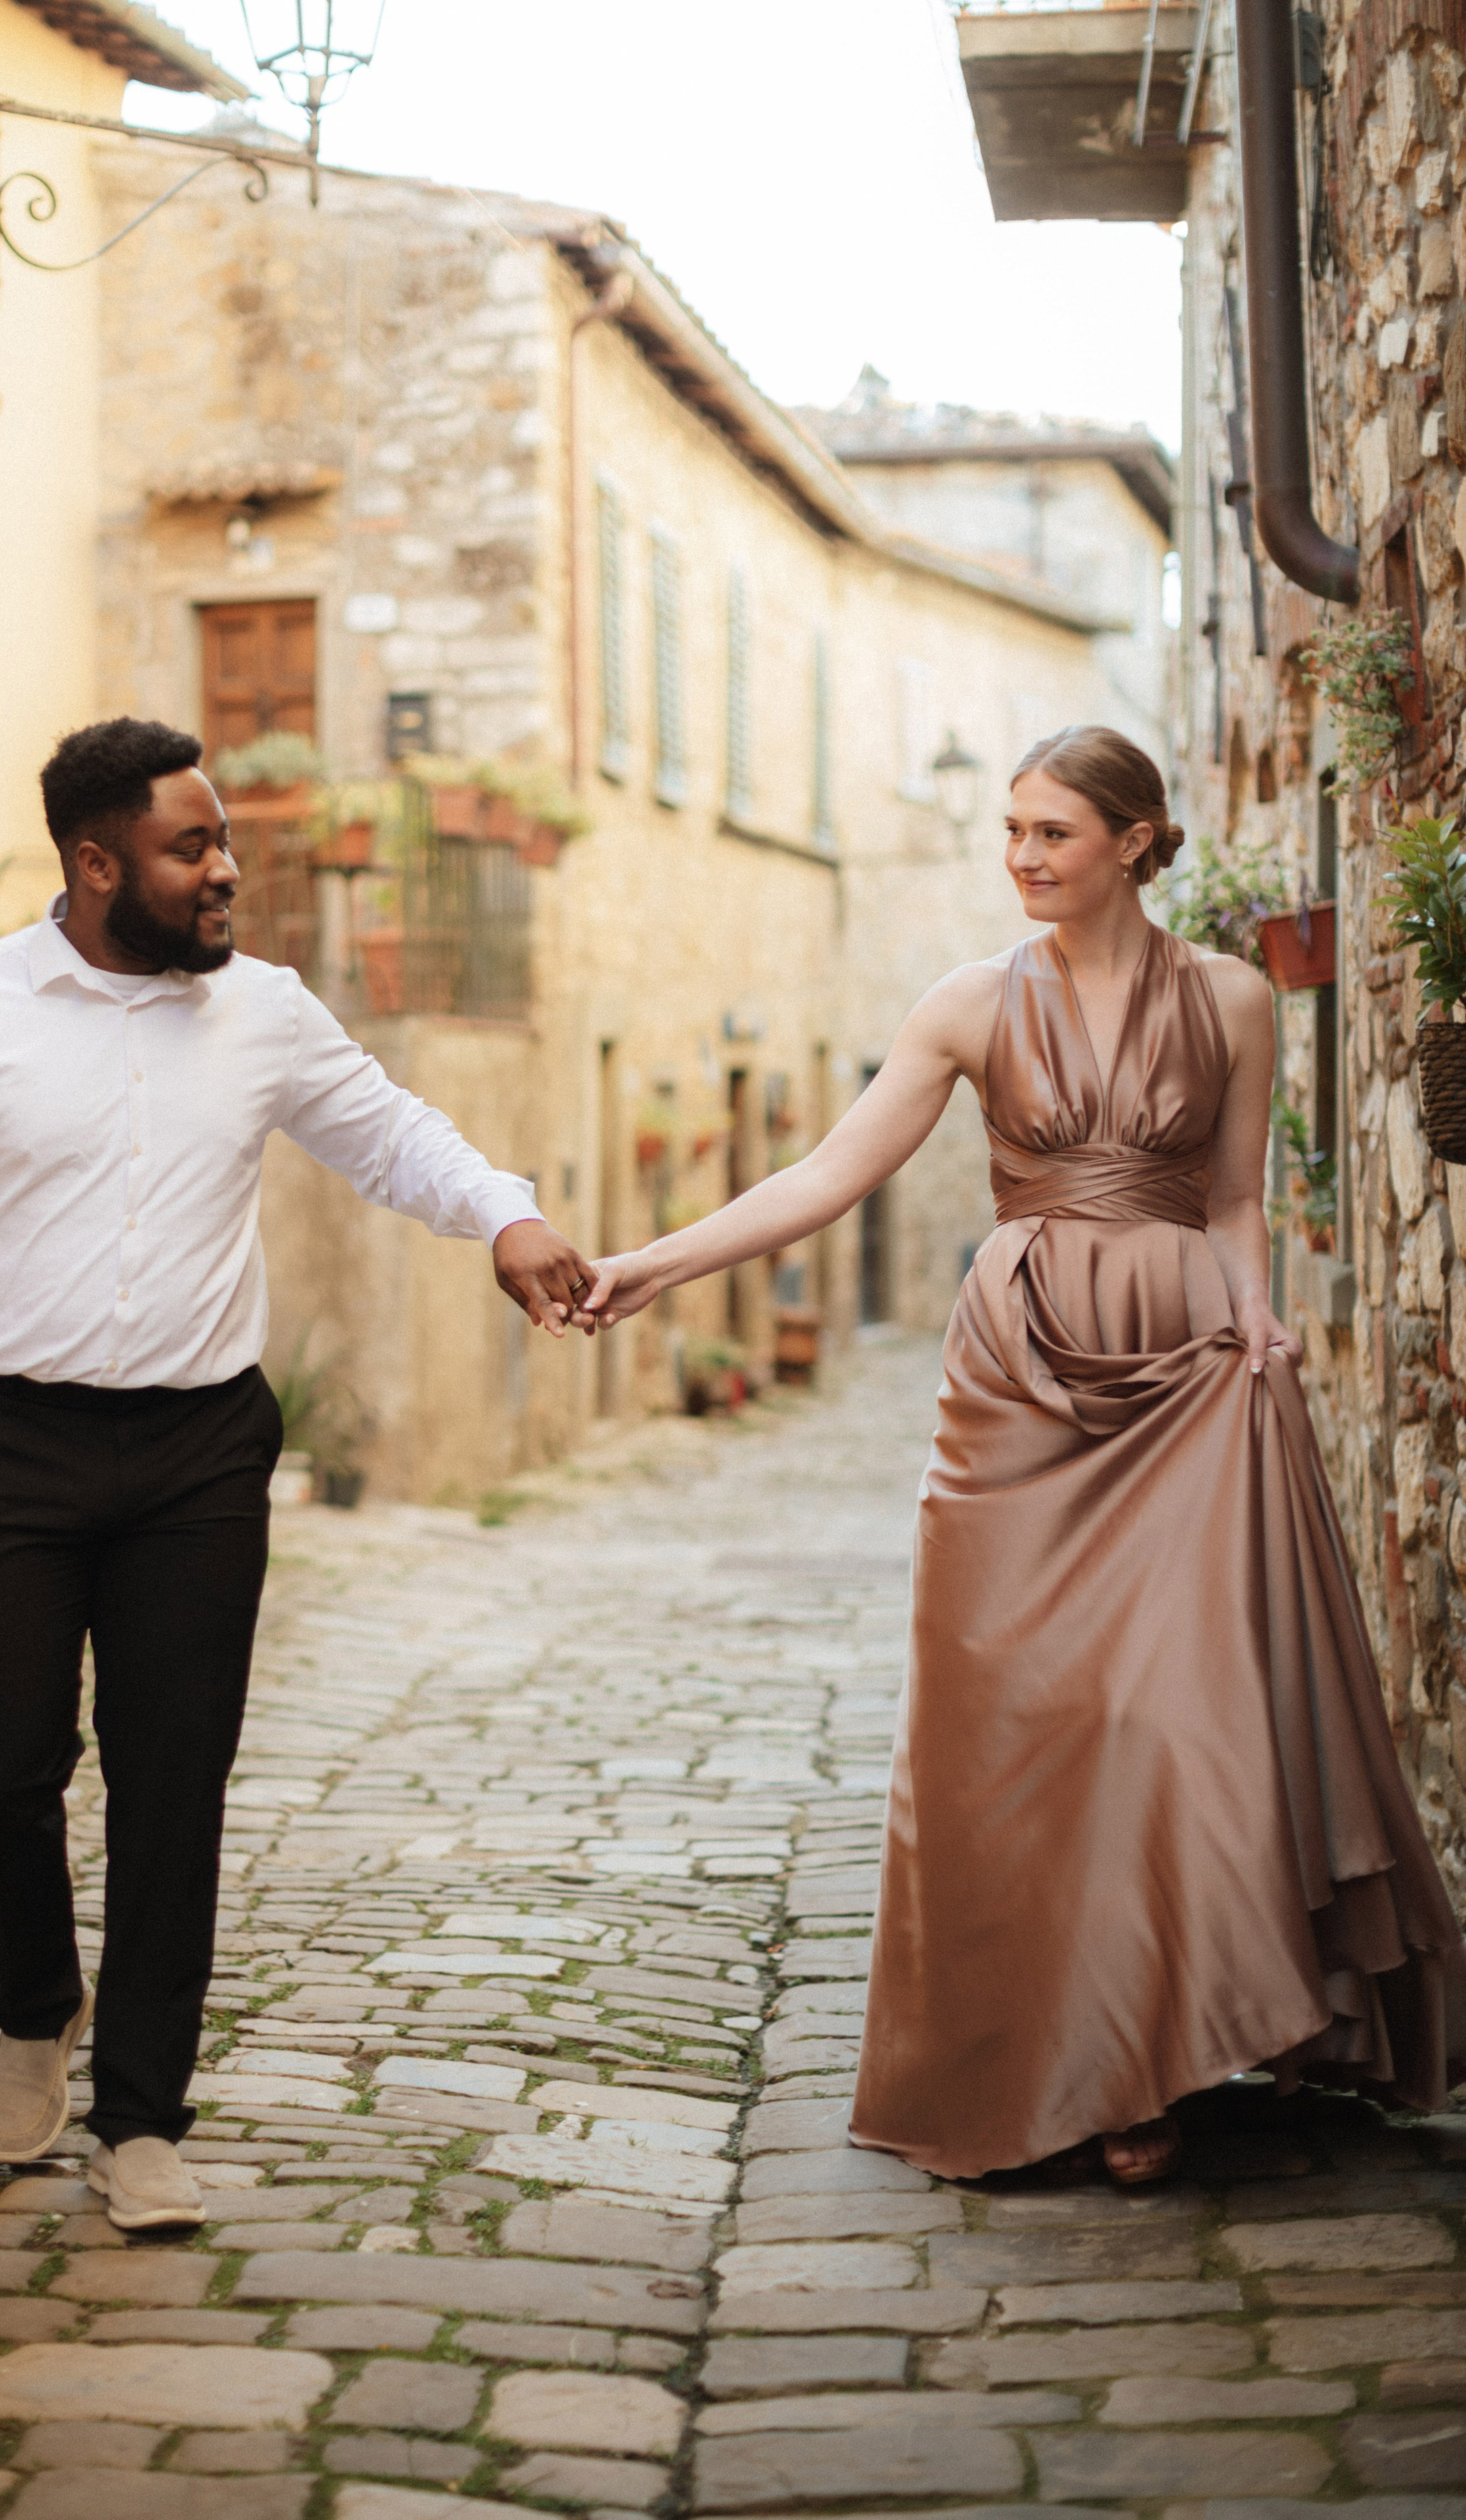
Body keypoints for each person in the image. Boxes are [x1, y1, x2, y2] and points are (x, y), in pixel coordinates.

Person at [580, 723, 1466, 2186]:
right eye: (1010, 830)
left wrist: (1255, 1318)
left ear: (1134, 841)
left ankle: (1150, 2056)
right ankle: (1060, 2054)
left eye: (1051, 832)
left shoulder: (1233, 998)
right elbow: (828, 1172)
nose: (1021, 857)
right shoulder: (967, 1003)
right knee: (1017, 1725)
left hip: (1187, 1381)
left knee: (1173, 1718)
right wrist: (651, 1266)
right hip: (1020, 1385)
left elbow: (1230, 1200)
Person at [0, 717, 592, 2231]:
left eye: (225, 838)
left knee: (173, 1782)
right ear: (97, 863)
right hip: (8, 1448)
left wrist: (502, 1214)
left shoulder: (266, 1014)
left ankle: (141, 2119)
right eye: (193, 847)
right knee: (2, 1767)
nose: (228, 868)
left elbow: (391, 1134)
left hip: (198, 1453)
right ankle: (36, 1999)